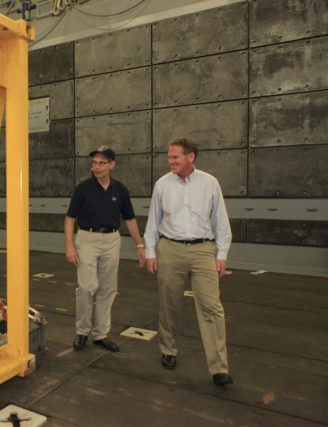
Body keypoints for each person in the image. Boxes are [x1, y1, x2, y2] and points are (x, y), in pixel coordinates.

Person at [144, 137, 233, 386]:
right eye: (169, 157)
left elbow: (221, 222)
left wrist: (222, 255)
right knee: (168, 303)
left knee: (211, 306)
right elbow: (153, 220)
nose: (170, 161)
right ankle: (168, 350)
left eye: (175, 157)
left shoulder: (210, 184)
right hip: (169, 248)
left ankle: (219, 368)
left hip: (204, 249)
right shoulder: (162, 185)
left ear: (191, 156)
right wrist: (151, 252)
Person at [65, 145, 145, 352]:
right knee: (86, 286)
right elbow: (70, 217)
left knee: (108, 289)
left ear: (112, 165)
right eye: (94, 163)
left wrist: (140, 244)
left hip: (111, 240)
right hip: (87, 239)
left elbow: (129, 219)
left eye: (102, 163)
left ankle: (100, 334)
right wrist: (69, 246)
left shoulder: (120, 190)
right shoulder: (83, 188)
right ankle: (82, 331)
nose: (97, 167)